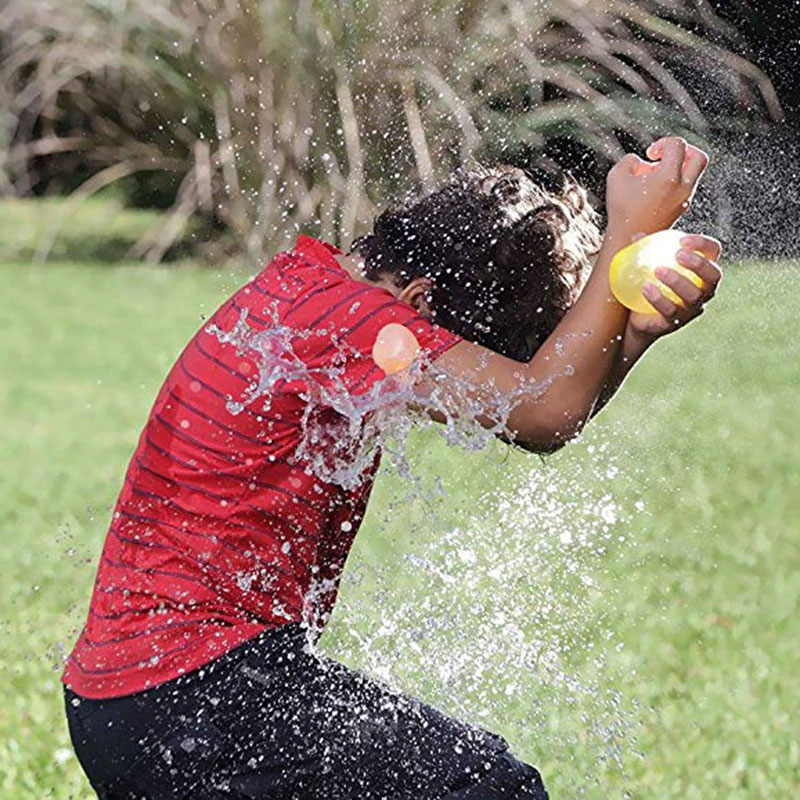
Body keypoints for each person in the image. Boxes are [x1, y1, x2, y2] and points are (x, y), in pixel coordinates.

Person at [62, 136, 722, 799]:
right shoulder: (354, 323)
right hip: (194, 698)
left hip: (143, 703)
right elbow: (539, 408)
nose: (448, 357)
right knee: (489, 787)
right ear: (422, 299)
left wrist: (628, 337)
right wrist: (629, 233)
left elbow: (544, 407)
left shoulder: (313, 291)